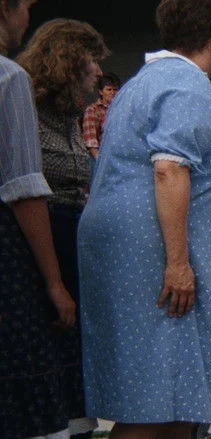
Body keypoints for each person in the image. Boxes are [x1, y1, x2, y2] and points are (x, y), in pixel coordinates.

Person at [77, 0, 211, 437]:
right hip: (153, 255)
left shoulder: (139, 83)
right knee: (157, 402)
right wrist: (178, 264)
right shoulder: (187, 82)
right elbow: (168, 168)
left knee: (175, 396)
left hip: (128, 248)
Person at [16, 17, 109, 439]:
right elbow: (25, 195)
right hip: (41, 248)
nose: (99, 72)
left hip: (71, 244)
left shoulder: (71, 117)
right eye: (91, 61)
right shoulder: (26, 112)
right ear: (69, 63)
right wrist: (53, 281)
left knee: (73, 358)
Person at [0, 1, 84, 438]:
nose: (26, 19)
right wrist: (53, 282)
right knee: (24, 388)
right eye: (25, 8)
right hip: (9, 255)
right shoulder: (9, 78)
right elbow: (24, 189)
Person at [81, 71, 120, 158]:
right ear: (101, 92)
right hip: (103, 156)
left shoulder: (123, 109)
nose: (112, 93)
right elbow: (91, 141)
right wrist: (100, 161)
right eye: (109, 89)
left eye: (115, 90)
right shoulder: (93, 110)